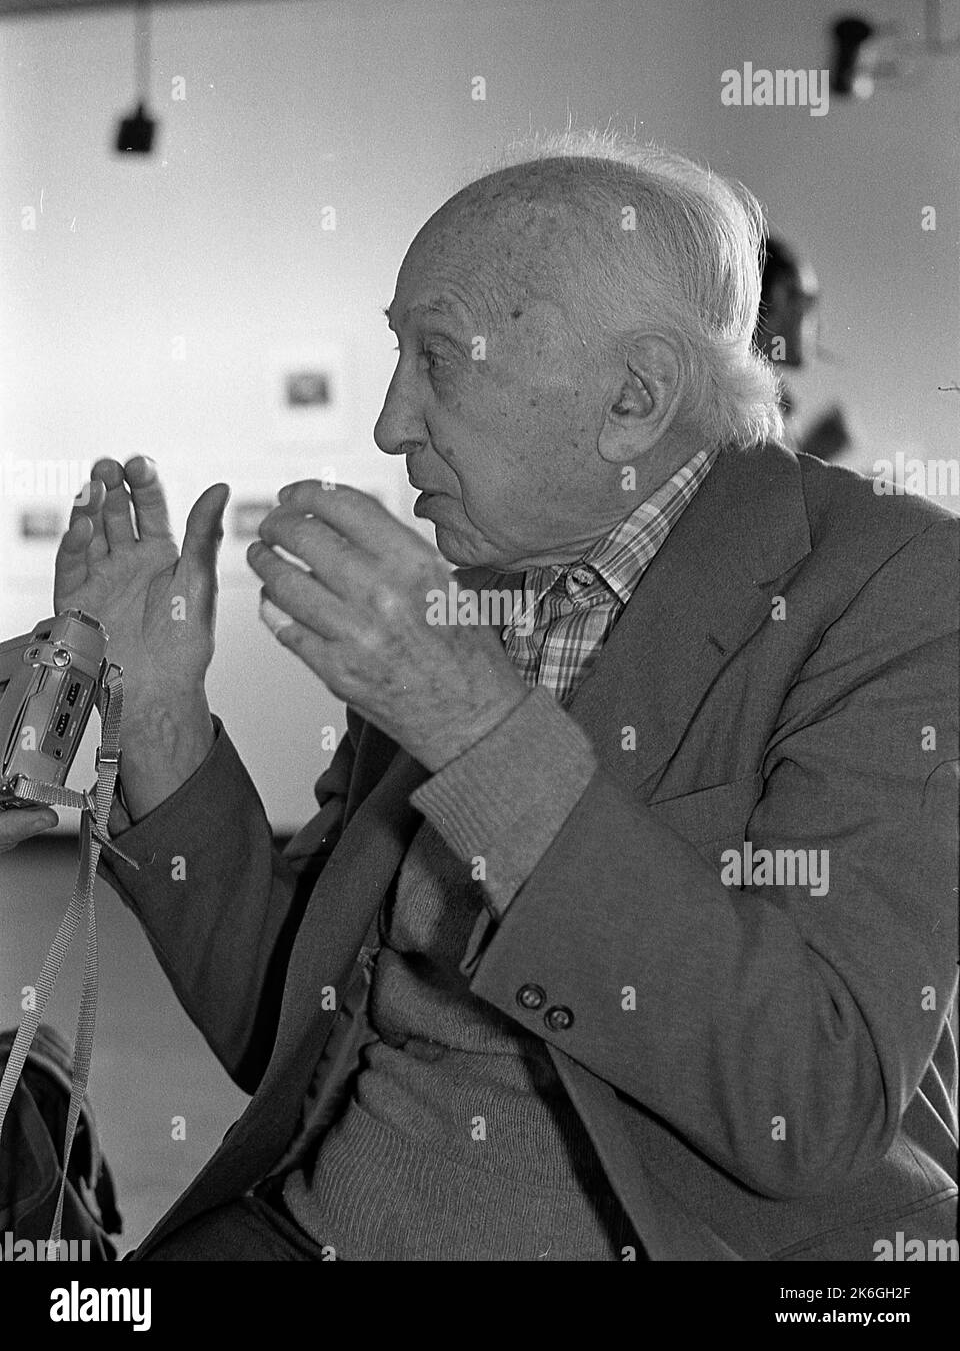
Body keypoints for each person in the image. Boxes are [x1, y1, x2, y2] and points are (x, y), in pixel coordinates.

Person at [8, 131, 957, 1261]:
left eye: (439, 357)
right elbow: (286, 1030)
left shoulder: (892, 585)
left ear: (635, 397)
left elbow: (816, 1095)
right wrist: (159, 715)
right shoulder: (473, 589)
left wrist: (477, 728)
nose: (388, 423)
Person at [753, 234, 852, 461]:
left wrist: (811, 453)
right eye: (809, 302)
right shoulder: (745, 405)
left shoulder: (768, 400)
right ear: (778, 295)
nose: (818, 328)